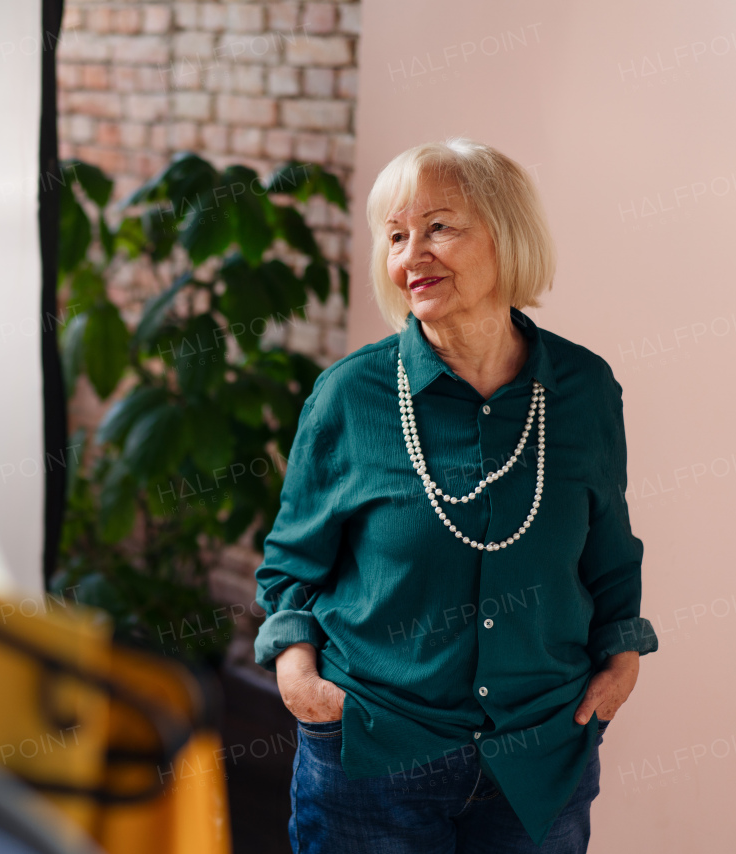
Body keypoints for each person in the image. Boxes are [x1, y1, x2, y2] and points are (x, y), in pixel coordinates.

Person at [253, 139, 658, 853]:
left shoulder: (583, 388)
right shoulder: (351, 396)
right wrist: (300, 681)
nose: (413, 254)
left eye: (439, 226)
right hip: (374, 754)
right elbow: (290, 566)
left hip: (539, 761)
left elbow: (609, 555)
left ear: (508, 235)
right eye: (397, 236)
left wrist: (622, 659)